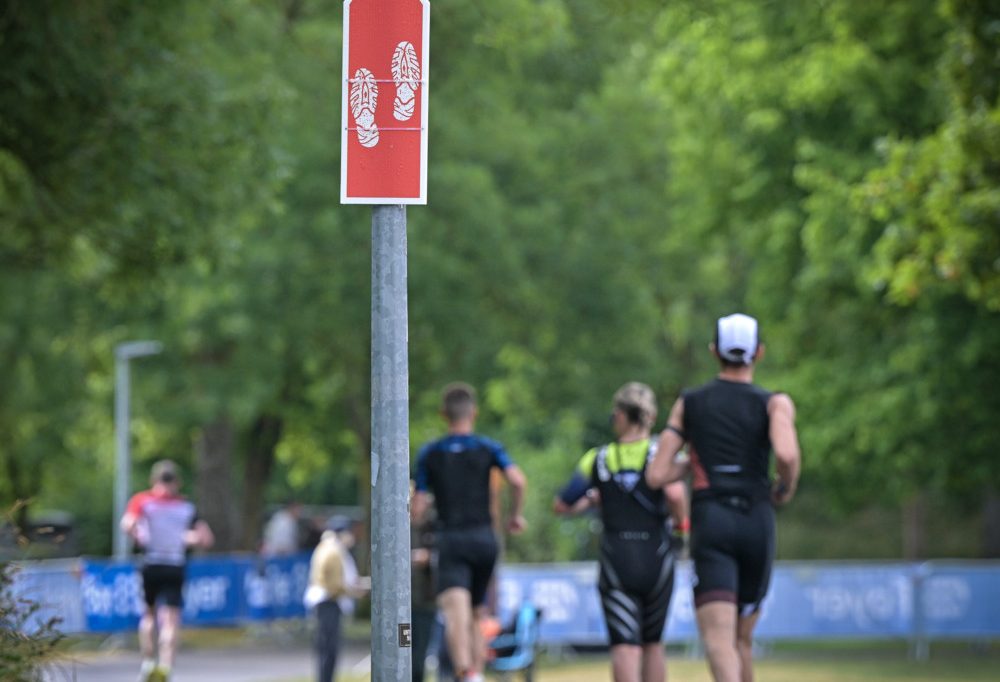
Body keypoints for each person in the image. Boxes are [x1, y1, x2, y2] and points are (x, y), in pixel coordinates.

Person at [645, 313, 801, 682]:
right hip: (756, 520)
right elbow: (788, 454)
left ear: (714, 351)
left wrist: (692, 462)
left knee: (718, 640)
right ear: (758, 353)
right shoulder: (775, 403)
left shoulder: (690, 403)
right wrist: (784, 487)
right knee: (742, 639)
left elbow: (657, 473)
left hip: (712, 519)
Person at [554, 382, 688, 682]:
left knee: (625, 645)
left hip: (617, 558)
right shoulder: (660, 454)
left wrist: (593, 498)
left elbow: (562, 504)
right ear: (650, 417)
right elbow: (677, 497)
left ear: (620, 416)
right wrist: (681, 531)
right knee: (653, 643)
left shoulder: (598, 458)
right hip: (657, 556)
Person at [411, 382, 527, 682]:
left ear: (443, 414)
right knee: (477, 613)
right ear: (473, 413)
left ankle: (465, 672)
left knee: (454, 612)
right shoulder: (488, 448)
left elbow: (419, 506)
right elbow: (517, 481)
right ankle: (477, 675)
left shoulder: (431, 454)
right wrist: (515, 516)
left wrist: (415, 513)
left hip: (451, 539)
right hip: (484, 539)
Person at [120, 459, 214, 682]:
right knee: (171, 620)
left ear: (154, 480)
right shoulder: (186, 507)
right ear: (178, 482)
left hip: (151, 562)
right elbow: (206, 538)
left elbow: (127, 523)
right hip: (175, 564)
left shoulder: (142, 501)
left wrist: (138, 535)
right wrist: (182, 539)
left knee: (149, 615)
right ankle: (166, 668)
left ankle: (148, 662)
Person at [305, 515, 369, 682]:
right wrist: (354, 591)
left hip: (330, 603)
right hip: (328, 603)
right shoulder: (332, 550)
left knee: (328, 649)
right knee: (328, 650)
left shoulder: (330, 548)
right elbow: (333, 585)